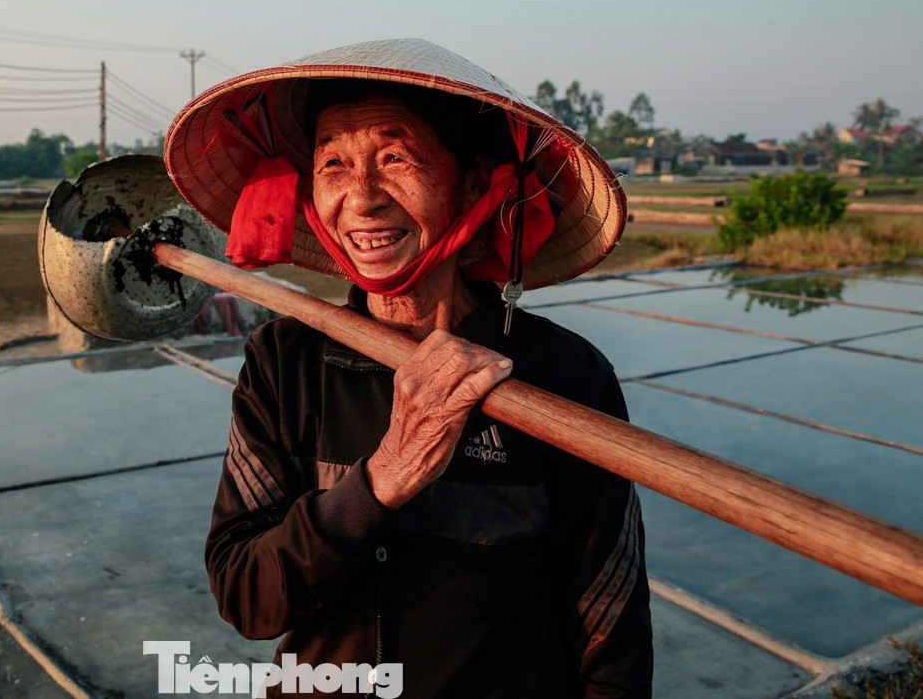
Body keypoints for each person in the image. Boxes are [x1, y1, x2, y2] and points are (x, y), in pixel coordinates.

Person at [163, 39, 653, 698]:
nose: (361, 199)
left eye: (396, 158)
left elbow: (609, 629)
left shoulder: (563, 376)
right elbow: (246, 596)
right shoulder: (285, 360)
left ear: (474, 183)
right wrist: (382, 481)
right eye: (334, 164)